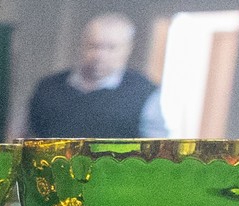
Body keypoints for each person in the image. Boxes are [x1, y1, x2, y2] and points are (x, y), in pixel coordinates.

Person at [17, 13, 168, 139]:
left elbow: (155, 153)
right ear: (81, 45)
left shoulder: (144, 92)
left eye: (111, 48)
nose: (99, 55)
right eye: (93, 46)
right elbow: (22, 136)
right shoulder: (48, 87)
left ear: (128, 49)